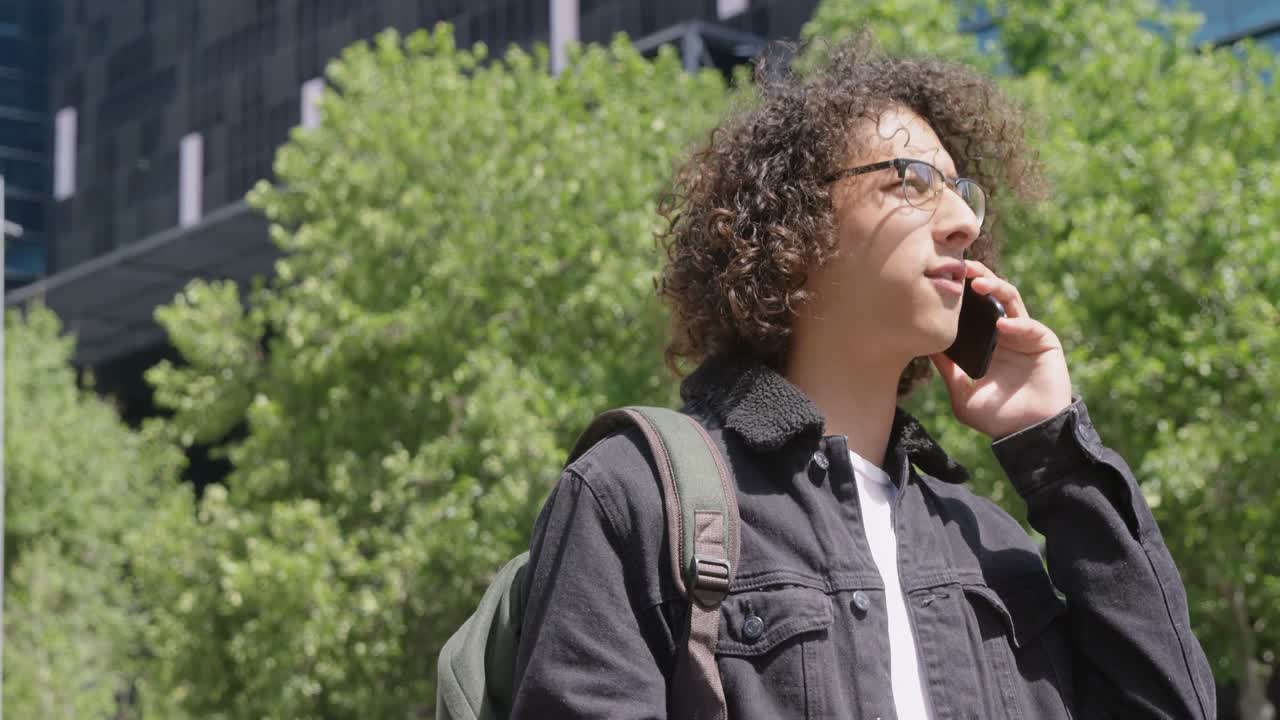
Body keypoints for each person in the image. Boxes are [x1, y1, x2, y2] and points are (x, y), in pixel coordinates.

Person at [510, 33, 1215, 719]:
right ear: (793, 220)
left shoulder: (992, 543)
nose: (962, 220)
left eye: (965, 191)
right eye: (914, 181)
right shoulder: (634, 498)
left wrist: (1055, 453)